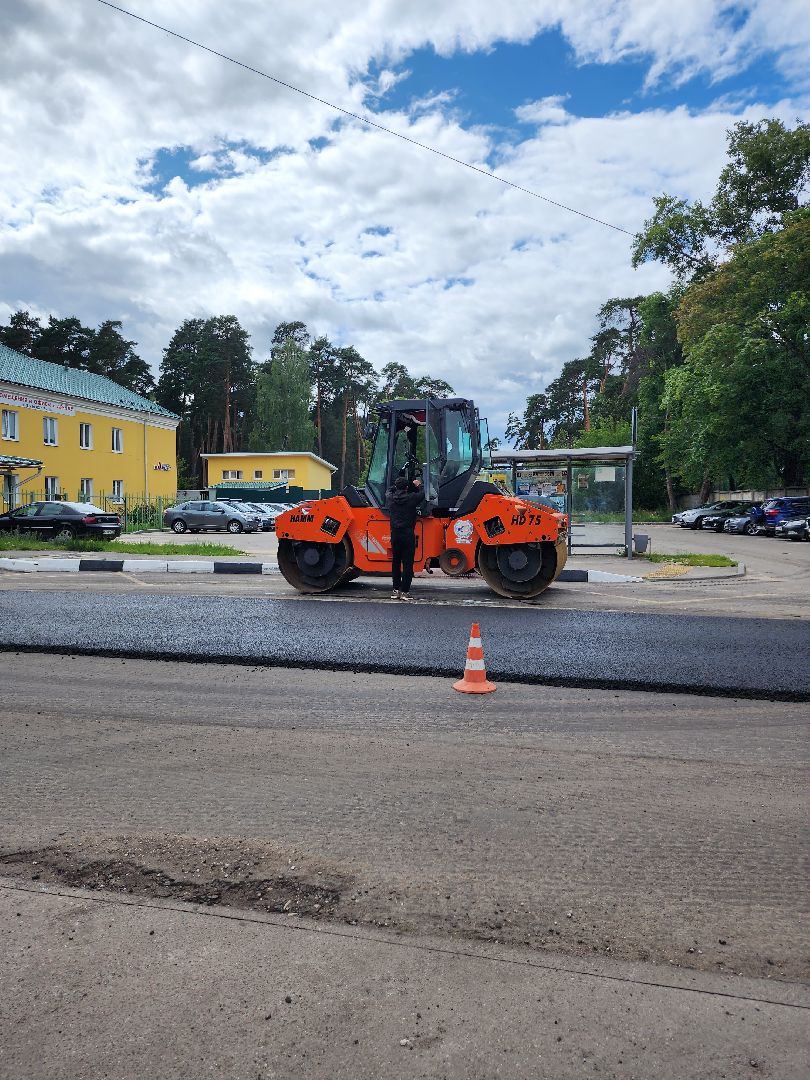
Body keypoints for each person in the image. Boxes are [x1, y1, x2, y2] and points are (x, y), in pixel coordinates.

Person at [386, 475, 422, 600]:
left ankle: (395, 590)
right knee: (408, 564)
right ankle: (405, 592)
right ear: (407, 488)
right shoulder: (412, 498)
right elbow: (423, 494)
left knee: (396, 562)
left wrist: (396, 485)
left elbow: (389, 490)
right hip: (408, 534)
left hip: (395, 534)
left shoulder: (390, 498)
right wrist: (418, 485)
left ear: (396, 487)